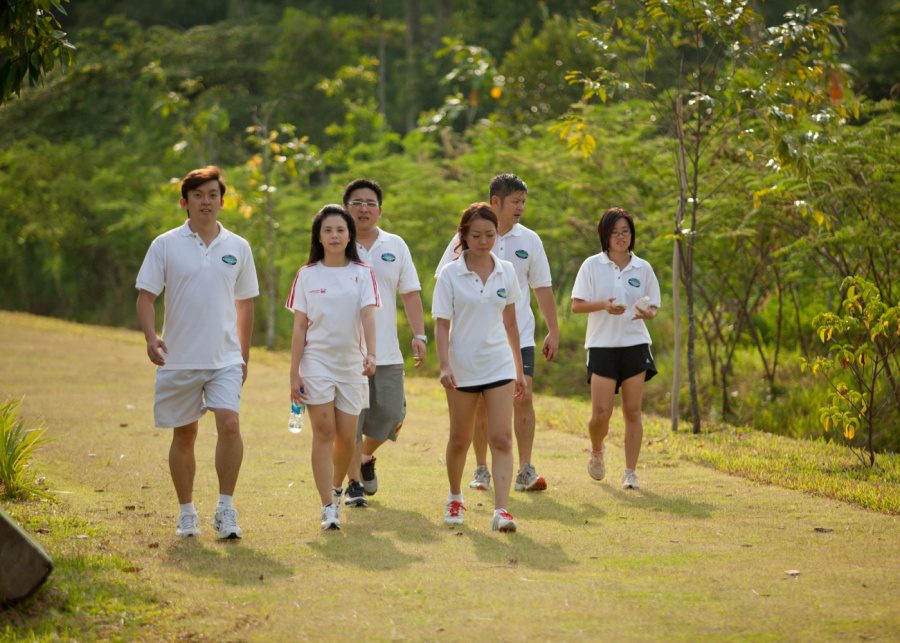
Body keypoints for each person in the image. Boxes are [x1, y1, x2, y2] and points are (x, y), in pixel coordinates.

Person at [136, 165, 258, 540]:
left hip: (225, 357)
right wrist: (151, 337)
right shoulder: (165, 244)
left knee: (230, 424)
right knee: (185, 435)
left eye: (212, 195)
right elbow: (145, 297)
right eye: (198, 196)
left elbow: (246, 305)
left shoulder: (238, 247)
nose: (206, 202)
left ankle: (225, 509)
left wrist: (244, 356)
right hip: (180, 357)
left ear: (222, 201)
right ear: (185, 202)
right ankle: (187, 512)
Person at [435, 174, 558, 494]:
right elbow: (445, 281)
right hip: (475, 339)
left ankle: (526, 469)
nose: (521, 208)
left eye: (523, 202)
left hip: (519, 334)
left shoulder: (530, 240)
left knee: (524, 396)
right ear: (496, 202)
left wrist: (553, 330)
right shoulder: (466, 237)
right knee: (480, 406)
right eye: (515, 201)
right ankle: (480, 469)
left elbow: (542, 287)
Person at [432, 202, 526, 532]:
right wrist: (444, 365)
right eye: (476, 235)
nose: (483, 241)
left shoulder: (507, 271)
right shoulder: (449, 273)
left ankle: (502, 510)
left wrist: (517, 367)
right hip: (462, 367)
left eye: (489, 235)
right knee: (460, 438)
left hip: (498, 364)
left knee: (501, 437)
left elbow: (511, 323)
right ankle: (455, 496)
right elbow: (442, 324)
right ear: (464, 236)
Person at [287, 205, 378, 530]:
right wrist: (294, 373)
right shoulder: (307, 275)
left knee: (346, 436)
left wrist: (371, 355)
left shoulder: (363, 273)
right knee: (324, 431)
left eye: (340, 229)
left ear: (349, 234)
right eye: (328, 230)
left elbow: (368, 315)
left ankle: (336, 487)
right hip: (316, 364)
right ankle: (328, 505)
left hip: (352, 366)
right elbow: (299, 327)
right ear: (319, 236)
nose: (335, 235)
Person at [340, 179, 426, 508]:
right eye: (357, 202)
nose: (364, 208)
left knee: (392, 413)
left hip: (388, 351)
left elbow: (410, 292)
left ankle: (362, 457)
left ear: (380, 209)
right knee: (352, 420)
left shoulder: (396, 245)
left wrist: (418, 335)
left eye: (370, 203)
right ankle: (353, 485)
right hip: (346, 351)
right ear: (346, 207)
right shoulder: (337, 243)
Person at [571, 207, 660, 490]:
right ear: (605, 236)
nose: (621, 237)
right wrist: (604, 306)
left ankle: (630, 472)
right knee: (601, 414)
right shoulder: (591, 265)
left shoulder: (643, 267)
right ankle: (597, 450)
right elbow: (576, 305)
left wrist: (647, 313)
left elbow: (654, 306)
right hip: (602, 346)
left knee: (633, 411)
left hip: (635, 344)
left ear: (632, 235)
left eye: (625, 232)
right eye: (614, 232)